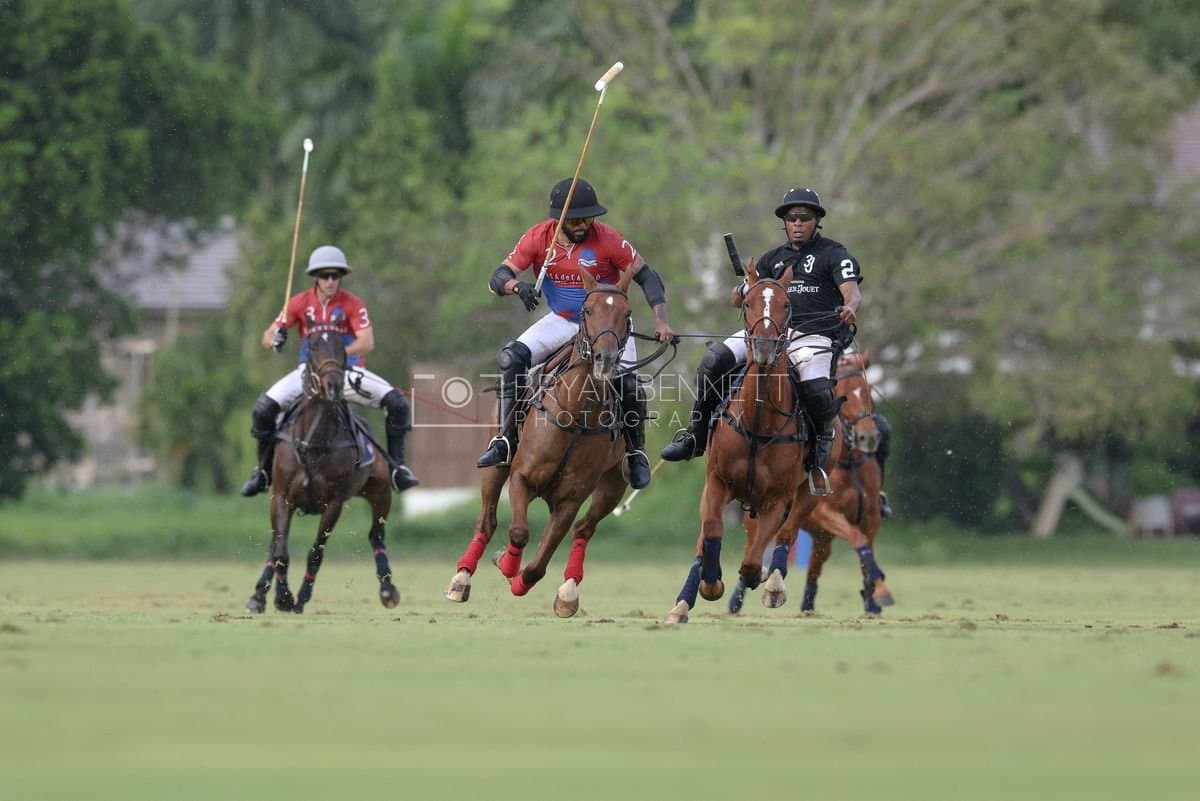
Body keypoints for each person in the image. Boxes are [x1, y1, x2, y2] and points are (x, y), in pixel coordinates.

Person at [475, 177, 677, 490]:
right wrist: (518, 287)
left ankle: (636, 451)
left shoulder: (609, 240)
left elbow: (648, 277)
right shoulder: (538, 237)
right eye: (575, 219)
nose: (583, 224)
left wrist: (661, 320)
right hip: (563, 320)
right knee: (510, 359)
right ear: (559, 218)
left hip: (607, 325)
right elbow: (497, 277)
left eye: (588, 217)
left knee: (628, 383)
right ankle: (505, 439)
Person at [661, 185, 861, 473]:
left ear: (817, 219)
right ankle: (696, 433)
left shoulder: (834, 254)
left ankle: (820, 444)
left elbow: (851, 292)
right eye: (791, 218)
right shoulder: (772, 259)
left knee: (816, 388)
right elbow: (736, 299)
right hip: (767, 333)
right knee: (713, 361)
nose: (797, 223)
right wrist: (745, 286)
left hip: (813, 336)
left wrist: (850, 307)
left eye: (804, 217)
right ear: (784, 222)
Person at [239, 245, 419, 497]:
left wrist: (335, 357)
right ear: (315, 276)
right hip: (309, 376)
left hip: (348, 372)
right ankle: (263, 471)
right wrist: (276, 338)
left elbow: (367, 342)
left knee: (398, 404)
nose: (331, 281)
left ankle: (397, 468)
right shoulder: (299, 303)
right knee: (263, 409)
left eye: (336, 275)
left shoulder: (352, 303)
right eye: (325, 275)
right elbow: (267, 335)